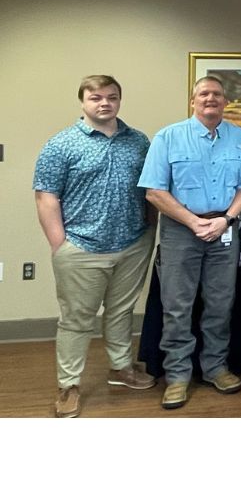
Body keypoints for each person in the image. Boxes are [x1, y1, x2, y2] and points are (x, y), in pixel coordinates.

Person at [33, 74, 156, 418]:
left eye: (112, 97)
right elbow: (46, 197)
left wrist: (149, 229)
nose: (104, 103)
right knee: (76, 320)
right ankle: (68, 384)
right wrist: (60, 244)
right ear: (83, 101)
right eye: (96, 97)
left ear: (119, 100)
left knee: (121, 310)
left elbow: (151, 187)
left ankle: (121, 368)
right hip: (81, 246)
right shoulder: (61, 144)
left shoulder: (139, 141)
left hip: (132, 243)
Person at [138, 75, 241, 410]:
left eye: (217, 94)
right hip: (180, 229)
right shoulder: (169, 137)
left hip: (224, 227)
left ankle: (215, 368)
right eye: (204, 94)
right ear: (193, 100)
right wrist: (193, 221)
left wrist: (225, 220)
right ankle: (177, 376)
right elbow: (154, 191)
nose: (210, 99)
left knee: (220, 304)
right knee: (177, 306)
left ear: (225, 102)